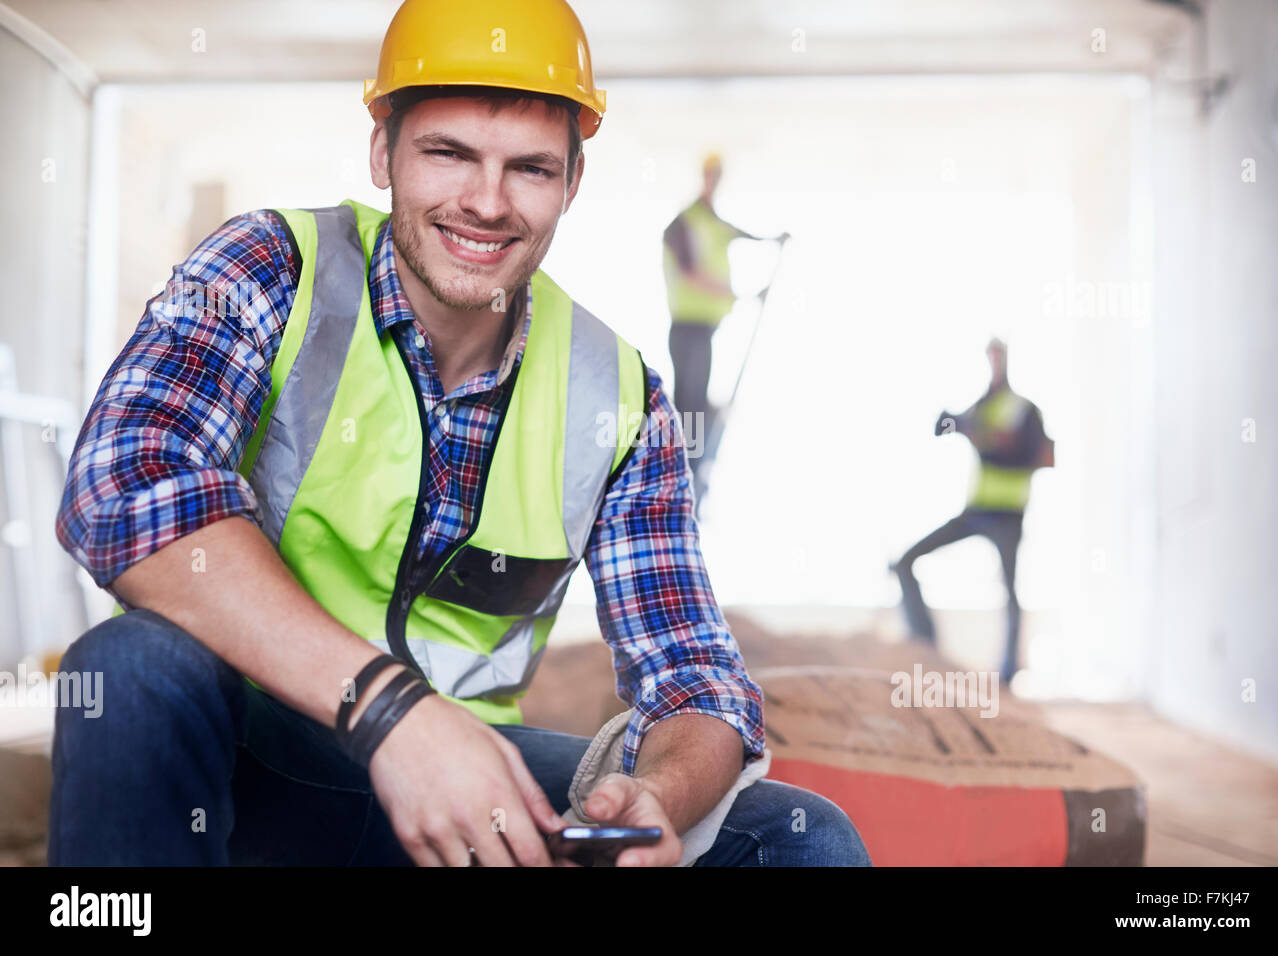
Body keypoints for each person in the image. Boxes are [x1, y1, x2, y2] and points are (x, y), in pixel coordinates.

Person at [48, 0, 868, 867]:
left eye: (530, 169)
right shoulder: (272, 268)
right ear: (383, 153)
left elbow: (697, 678)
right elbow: (123, 485)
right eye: (448, 153)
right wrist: (393, 712)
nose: (486, 202)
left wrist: (654, 802)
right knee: (130, 667)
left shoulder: (616, 395)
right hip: (249, 761)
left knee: (791, 839)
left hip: (474, 802)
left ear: (572, 184)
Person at [891, 338, 1053, 686]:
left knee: (1010, 590)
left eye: (998, 357)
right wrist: (957, 424)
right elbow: (945, 428)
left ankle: (1008, 675)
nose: (994, 364)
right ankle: (925, 649)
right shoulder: (980, 410)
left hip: (1008, 514)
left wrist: (988, 439)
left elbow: (1039, 455)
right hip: (977, 511)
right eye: (990, 358)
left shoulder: (1022, 410)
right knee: (906, 561)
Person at [662, 153, 786, 488]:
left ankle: (692, 470)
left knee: (698, 405)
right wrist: (741, 296)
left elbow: (737, 233)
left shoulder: (712, 221)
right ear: (703, 177)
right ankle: (682, 474)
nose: (714, 181)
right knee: (690, 406)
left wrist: (771, 241)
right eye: (711, 175)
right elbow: (690, 273)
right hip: (687, 330)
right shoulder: (684, 223)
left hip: (704, 329)